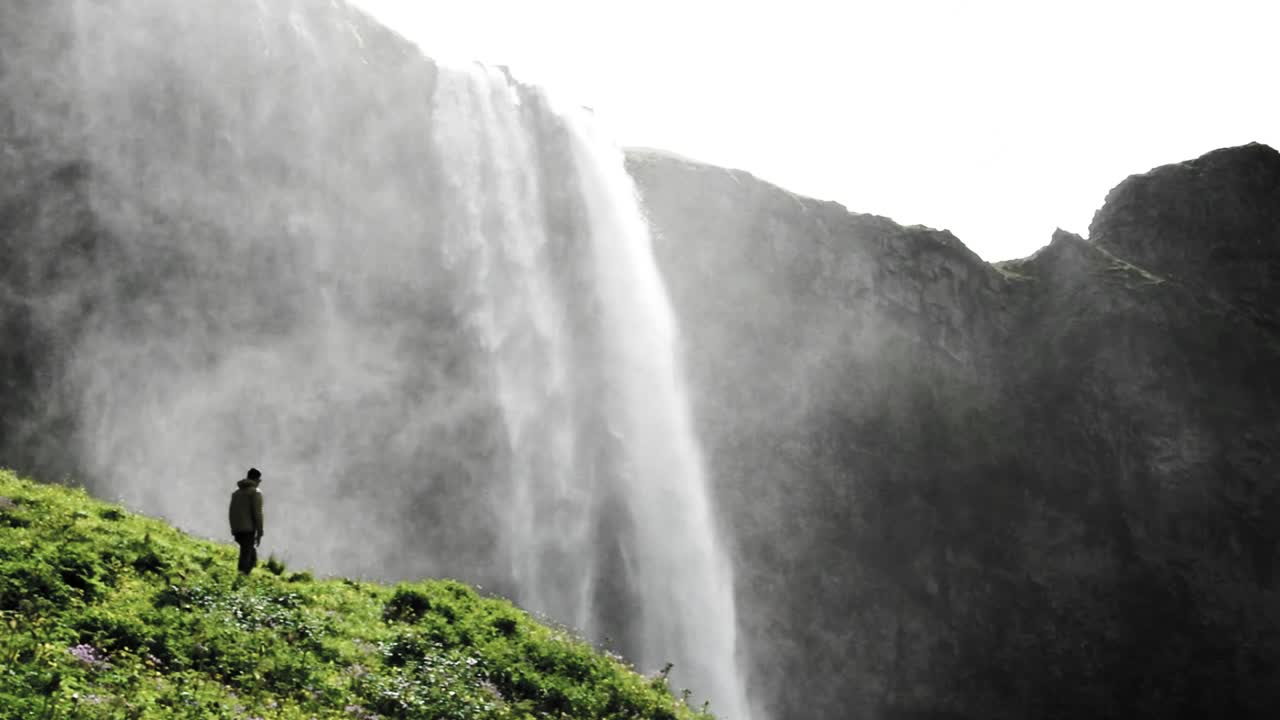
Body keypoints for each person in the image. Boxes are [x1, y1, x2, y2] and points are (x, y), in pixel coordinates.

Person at [228, 467, 264, 574]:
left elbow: (231, 511)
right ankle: (242, 576)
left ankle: (243, 575)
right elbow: (258, 514)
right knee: (247, 556)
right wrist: (260, 532)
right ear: (257, 480)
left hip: (237, 528)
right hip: (248, 529)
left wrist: (234, 528)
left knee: (249, 553)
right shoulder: (255, 493)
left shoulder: (236, 493)